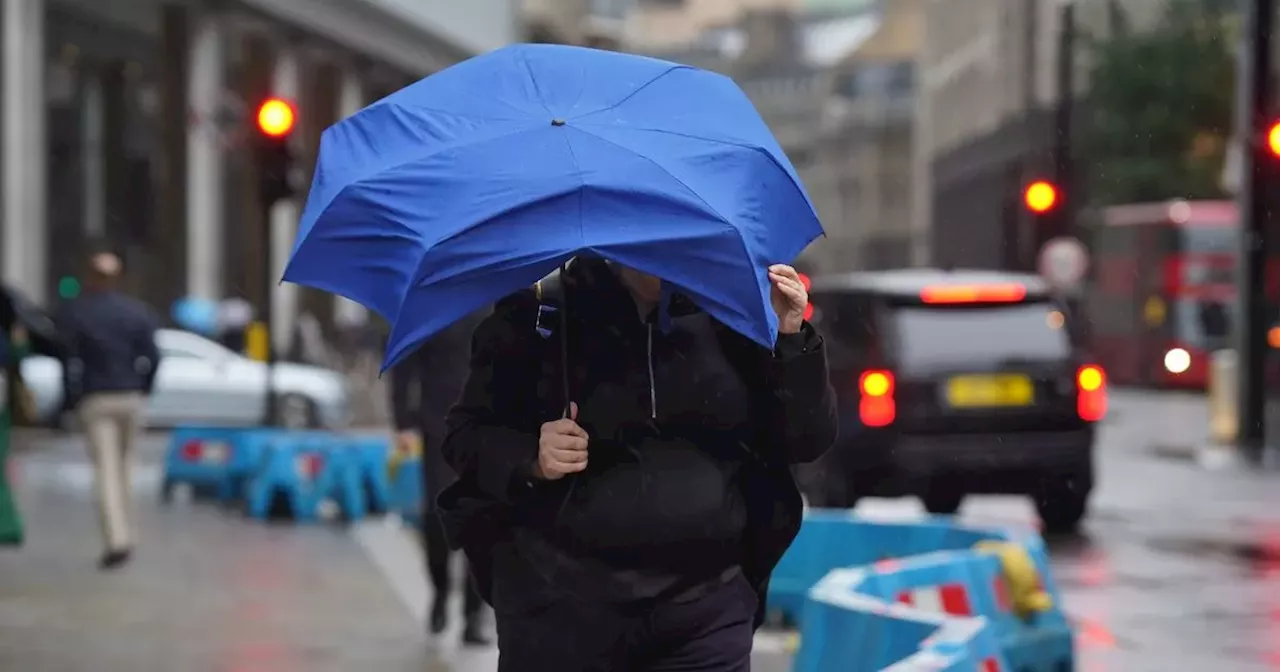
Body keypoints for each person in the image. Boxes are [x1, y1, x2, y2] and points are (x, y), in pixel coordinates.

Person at [439, 258, 837, 671]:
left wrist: (790, 337)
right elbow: (466, 434)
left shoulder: (734, 314)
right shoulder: (541, 312)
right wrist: (532, 457)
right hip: (560, 614)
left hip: (705, 610)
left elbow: (807, 438)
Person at [390, 308, 490, 645]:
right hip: (438, 426)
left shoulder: (498, 299)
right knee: (436, 517)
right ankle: (440, 590)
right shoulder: (431, 302)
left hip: (486, 428)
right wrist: (403, 421)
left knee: (481, 523)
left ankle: (473, 616)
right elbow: (404, 363)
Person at [58, 251, 160, 569]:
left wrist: (71, 398)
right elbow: (154, 357)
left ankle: (116, 540)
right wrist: (145, 386)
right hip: (130, 395)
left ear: (90, 277)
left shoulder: (78, 313)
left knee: (106, 472)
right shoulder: (136, 312)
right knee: (127, 466)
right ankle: (130, 534)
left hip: (97, 397)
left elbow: (68, 360)